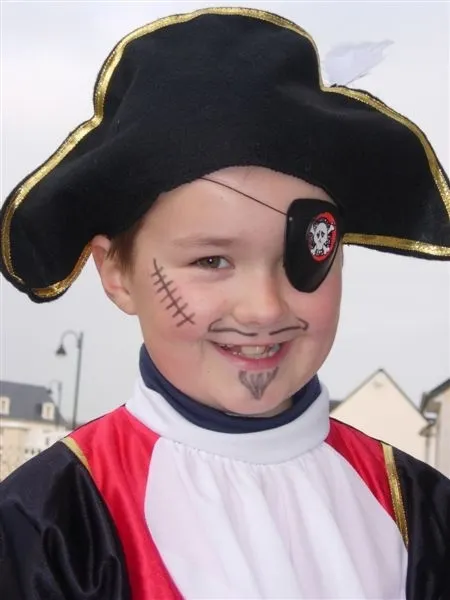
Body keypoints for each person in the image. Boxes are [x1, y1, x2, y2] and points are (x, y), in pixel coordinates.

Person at [0, 7, 449, 600]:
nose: (264, 309)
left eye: (301, 257)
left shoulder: (422, 510)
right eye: (211, 261)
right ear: (117, 273)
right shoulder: (50, 529)